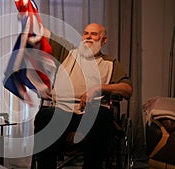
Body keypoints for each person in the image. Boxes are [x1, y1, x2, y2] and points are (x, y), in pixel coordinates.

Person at [32, 23, 133, 169]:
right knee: (44, 115)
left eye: (94, 34)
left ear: (104, 40)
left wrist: (99, 88)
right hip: (63, 111)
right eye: (86, 33)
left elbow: (127, 89)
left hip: (92, 112)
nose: (88, 37)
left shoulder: (111, 63)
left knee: (103, 115)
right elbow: (43, 34)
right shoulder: (67, 53)